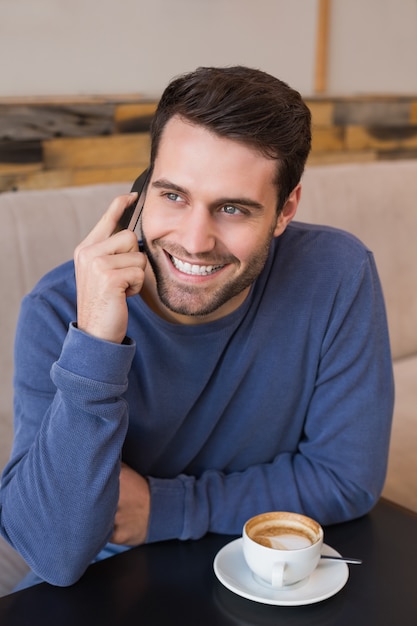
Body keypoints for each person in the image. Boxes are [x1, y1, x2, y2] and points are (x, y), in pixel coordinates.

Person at [0, 66, 394, 588]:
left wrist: (165, 509)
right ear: (141, 192)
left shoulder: (338, 274)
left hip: (261, 570)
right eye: (173, 196)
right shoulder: (59, 308)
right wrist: (95, 341)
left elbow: (348, 479)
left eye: (232, 208)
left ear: (285, 210)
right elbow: (53, 552)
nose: (194, 240)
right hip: (109, 583)